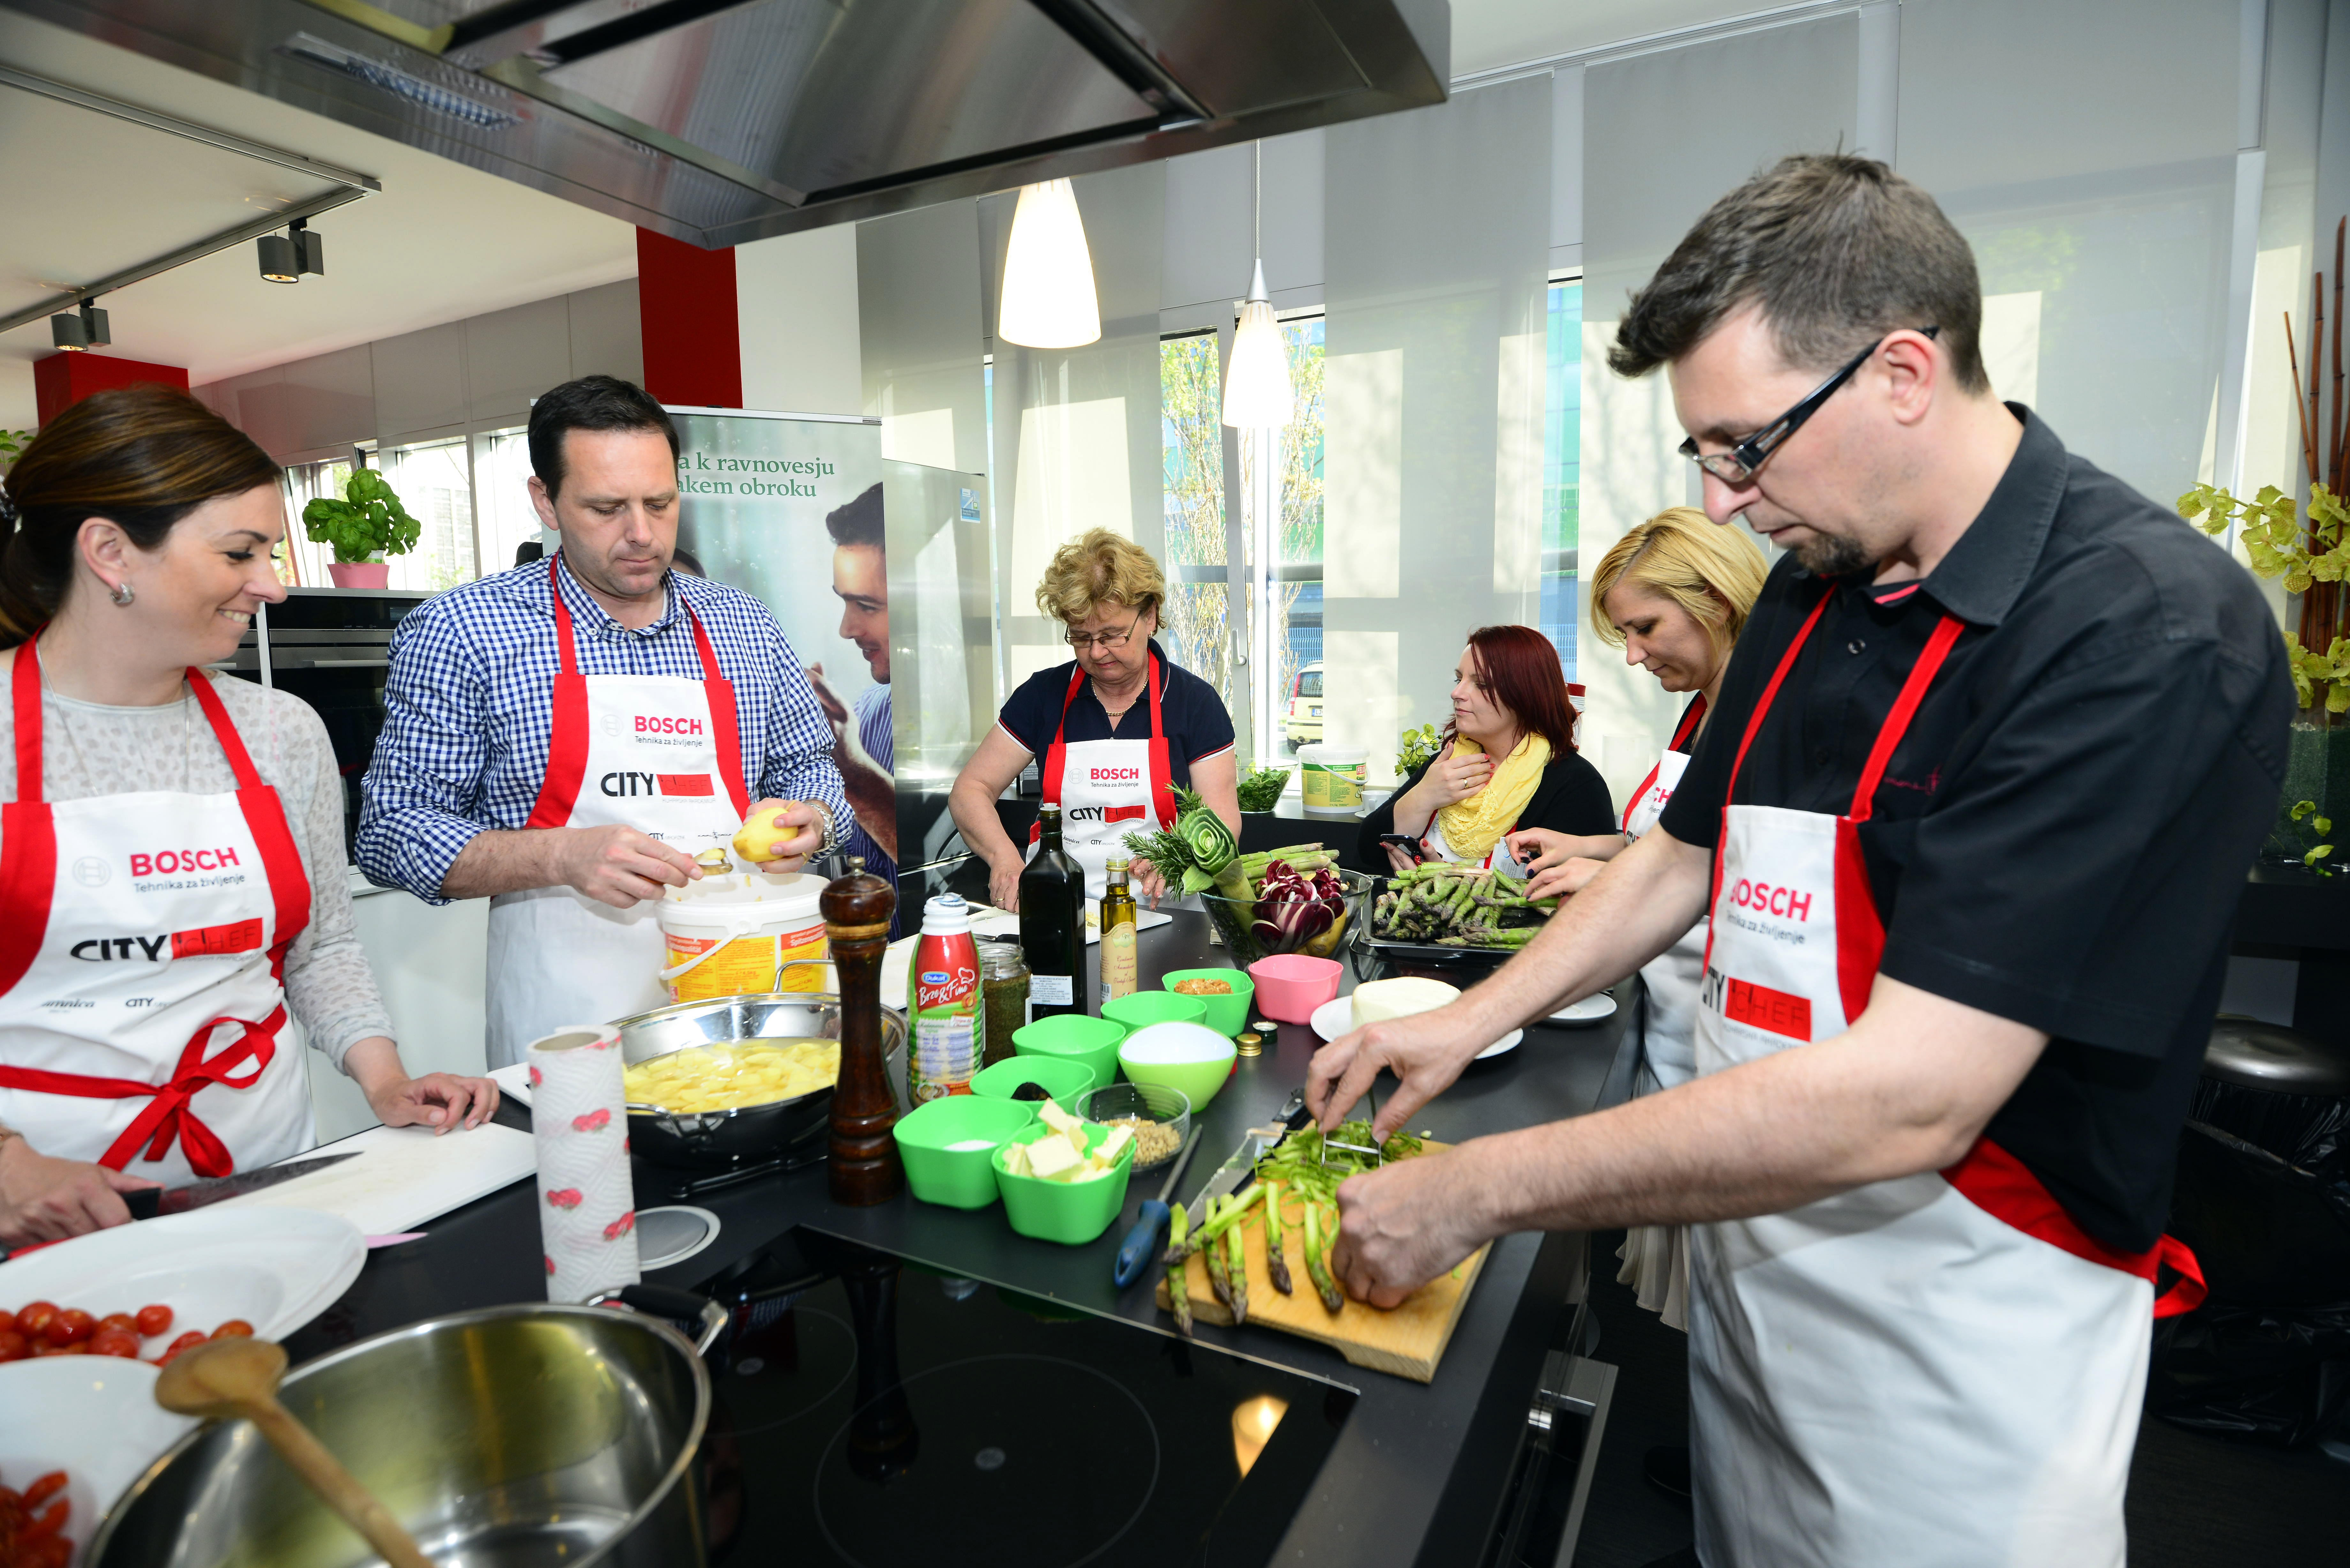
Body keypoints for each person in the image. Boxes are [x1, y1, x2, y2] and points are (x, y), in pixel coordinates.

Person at [1308, 154, 2291, 1568]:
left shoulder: (2134, 630)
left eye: (1745, 446)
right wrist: (1468, 1017)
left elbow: (1912, 1094)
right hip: (1757, 1262)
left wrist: (1476, 1186)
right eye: (1705, 453)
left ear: (1902, 372)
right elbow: (1680, 853)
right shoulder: (1809, 587)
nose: (1725, 499)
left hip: (1957, 1342)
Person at [0, 388, 498, 1247]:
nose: (270, 585)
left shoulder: (280, 732)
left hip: (265, 1176)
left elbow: (323, 946)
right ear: (110, 551)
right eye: (241, 553)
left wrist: (386, 1081)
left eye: (270, 552)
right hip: (52, 1213)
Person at [357, 376, 849, 1068]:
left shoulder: (742, 621)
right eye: (606, 508)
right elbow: (391, 832)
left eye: (660, 502)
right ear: (545, 500)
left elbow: (810, 768)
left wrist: (814, 819)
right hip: (567, 1018)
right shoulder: (463, 630)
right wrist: (557, 856)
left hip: (745, 990)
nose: (642, 534)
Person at [1516, 510, 1765, 1349]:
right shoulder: (1701, 713)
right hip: (1668, 1034)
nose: (1632, 655)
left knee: (1715, 1322)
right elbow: (1680, 844)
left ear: (1717, 601)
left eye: (1645, 628)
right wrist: (1594, 847)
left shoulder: (1768, 719)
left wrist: (1613, 880)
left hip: (1721, 1054)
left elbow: (1753, 884)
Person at [948, 529, 1237, 907]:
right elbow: (971, 789)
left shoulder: (1194, 703)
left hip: (1168, 913)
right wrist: (1004, 858)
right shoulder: (1044, 695)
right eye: (1082, 637)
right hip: (1058, 909)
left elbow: (1223, 819)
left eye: (1112, 635)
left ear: (1150, 616)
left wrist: (1180, 856)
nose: (1097, 652)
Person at [1356, 625, 1611, 878]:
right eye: (1459, 679)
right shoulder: (1448, 763)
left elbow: (1575, 891)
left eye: (1482, 684)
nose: (1456, 693)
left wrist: (1451, 883)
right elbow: (1369, 853)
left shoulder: (1576, 784)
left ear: (1527, 695)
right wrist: (1423, 797)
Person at [802, 484, 897, 890]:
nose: (847, 629)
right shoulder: (866, 710)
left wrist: (853, 769)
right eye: (844, 602)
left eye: (868, 606)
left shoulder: (988, 724)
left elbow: (949, 872)